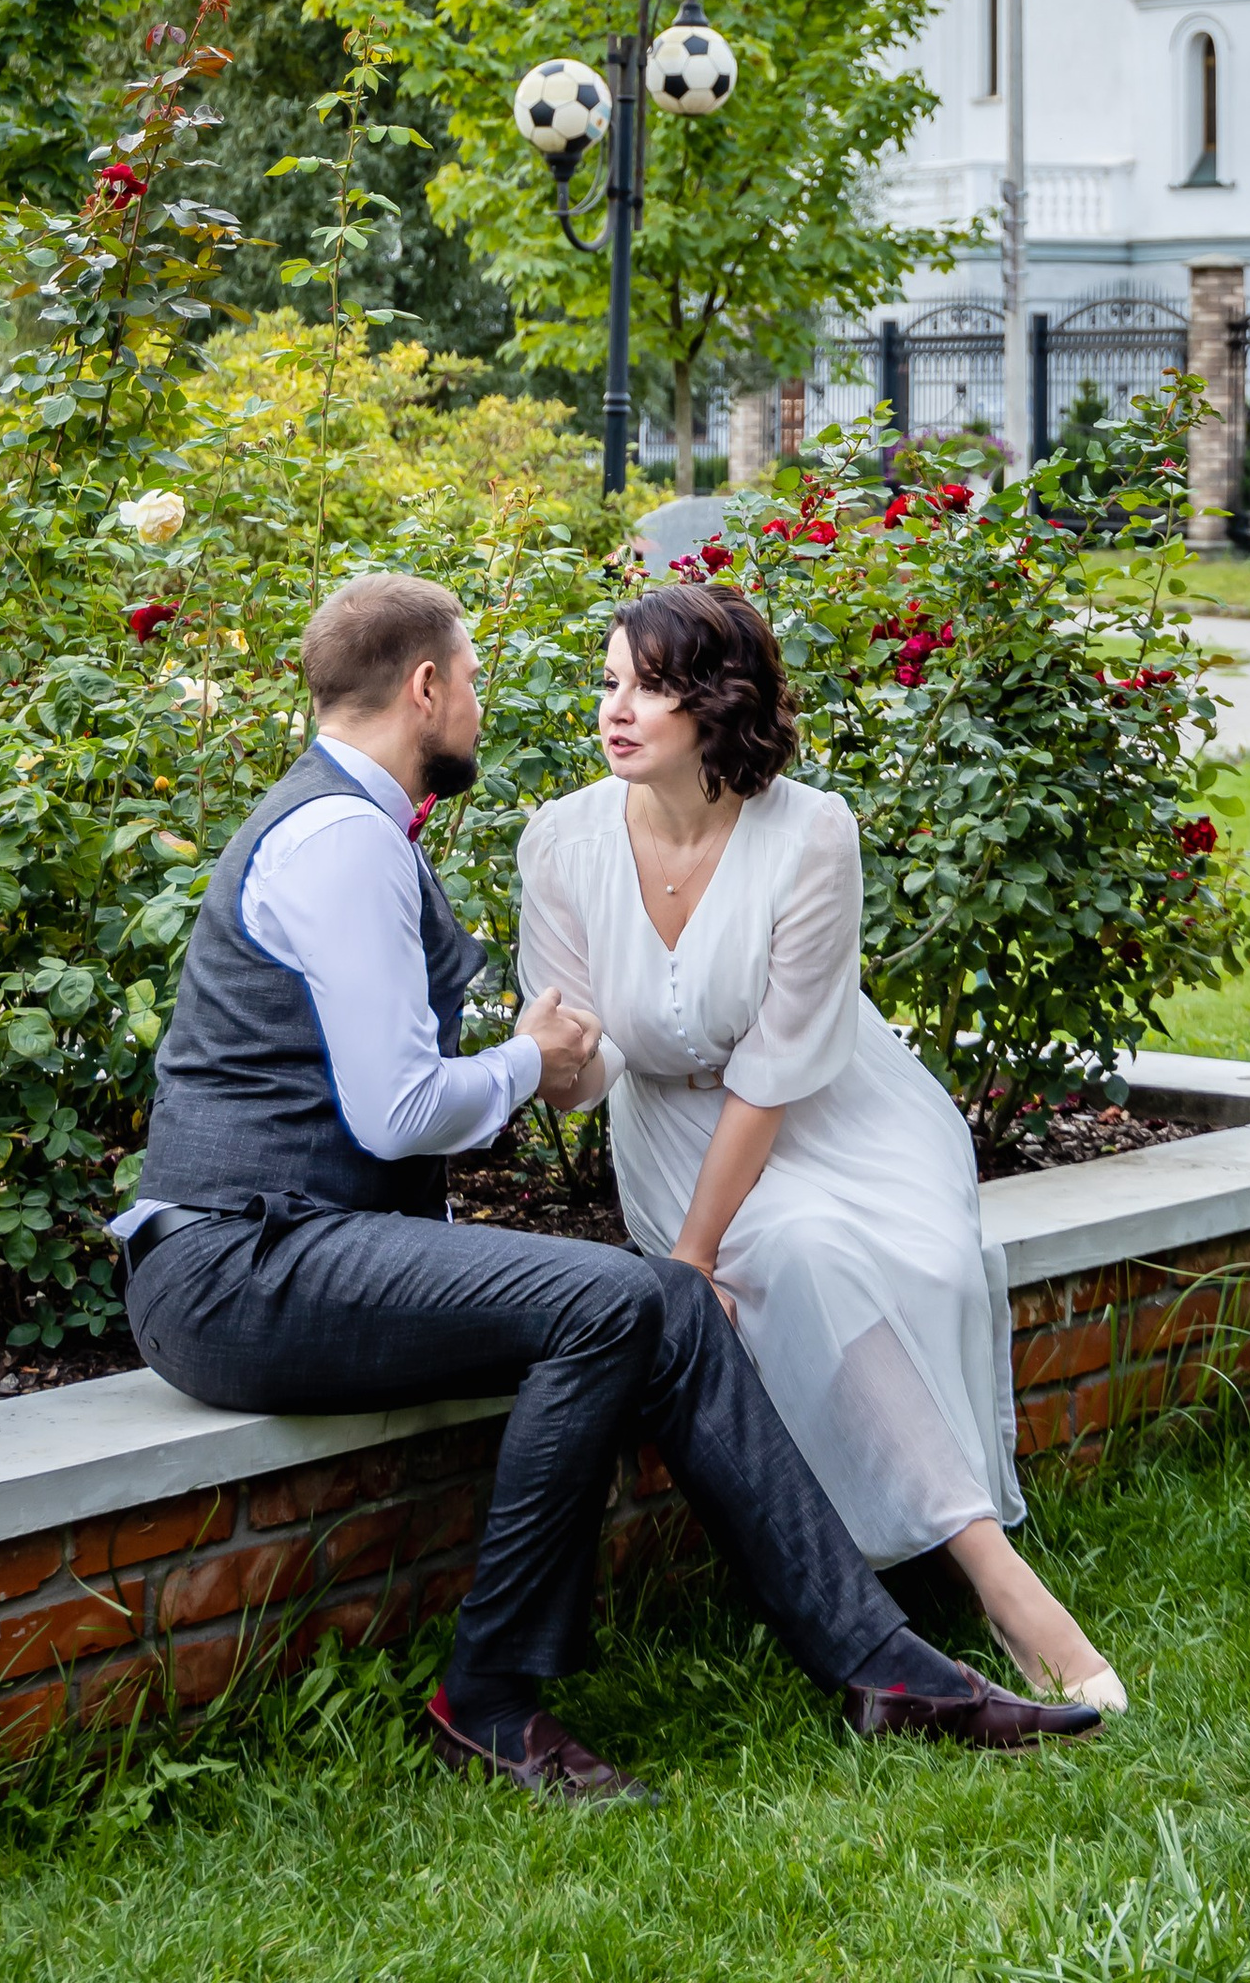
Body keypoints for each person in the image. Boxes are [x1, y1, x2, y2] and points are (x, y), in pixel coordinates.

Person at [115, 571, 1099, 1802]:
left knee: (666, 1304)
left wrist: (546, 1059)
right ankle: (487, 1699)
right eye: (469, 679)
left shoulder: (351, 829)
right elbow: (398, 1111)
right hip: (234, 1265)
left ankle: (884, 1669)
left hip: (294, 1249)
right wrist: (536, 1058)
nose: (482, 701)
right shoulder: (340, 842)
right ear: (425, 689)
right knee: (620, 1299)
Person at [516, 579, 1125, 1712]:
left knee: (923, 1266)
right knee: (802, 1252)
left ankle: (917, 1540)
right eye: (609, 683)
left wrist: (692, 1261)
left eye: (651, 687)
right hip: (676, 1135)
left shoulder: (812, 835)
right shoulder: (559, 841)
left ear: (718, 703)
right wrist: (547, 1058)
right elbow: (589, 1075)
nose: (616, 709)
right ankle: (997, 1582)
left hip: (834, 1109)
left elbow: (778, 1069)